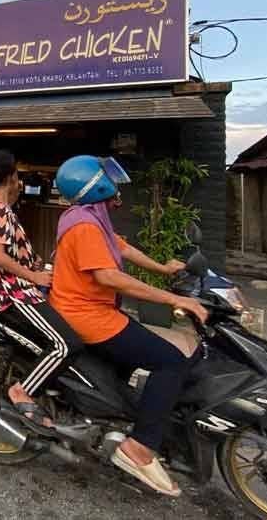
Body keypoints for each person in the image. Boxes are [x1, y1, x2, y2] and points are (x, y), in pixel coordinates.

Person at [49, 154, 208, 497]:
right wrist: (174, 300)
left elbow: (123, 247)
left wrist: (164, 270)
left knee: (136, 359)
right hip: (88, 316)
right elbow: (110, 276)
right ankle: (139, 447)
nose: (118, 191)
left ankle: (122, 421)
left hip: (96, 312)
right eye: (111, 184)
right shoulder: (86, 226)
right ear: (96, 186)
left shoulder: (91, 217)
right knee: (170, 361)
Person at [0, 150, 83, 432]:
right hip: (14, 293)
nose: (19, 181)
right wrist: (33, 275)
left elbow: (10, 252)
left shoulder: (2, 209)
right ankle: (22, 391)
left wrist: (37, 264)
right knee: (66, 343)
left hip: (22, 288)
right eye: (17, 176)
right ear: (10, 178)